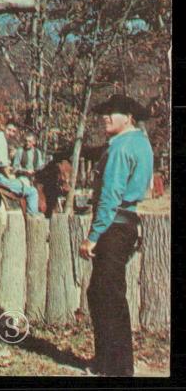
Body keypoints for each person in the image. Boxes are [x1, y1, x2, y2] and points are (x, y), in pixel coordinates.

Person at [79, 94, 153, 377]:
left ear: (129, 117)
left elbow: (110, 196)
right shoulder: (141, 144)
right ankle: (110, 362)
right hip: (126, 222)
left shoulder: (121, 147)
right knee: (104, 293)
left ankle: (116, 368)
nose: (105, 117)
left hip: (113, 225)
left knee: (106, 295)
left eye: (113, 112)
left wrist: (93, 236)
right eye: (104, 112)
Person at [0, 120, 40, 215]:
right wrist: (11, 177)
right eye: (9, 130)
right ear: (4, 127)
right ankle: (33, 221)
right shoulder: (0, 140)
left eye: (13, 131)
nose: (11, 133)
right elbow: (3, 166)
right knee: (32, 192)